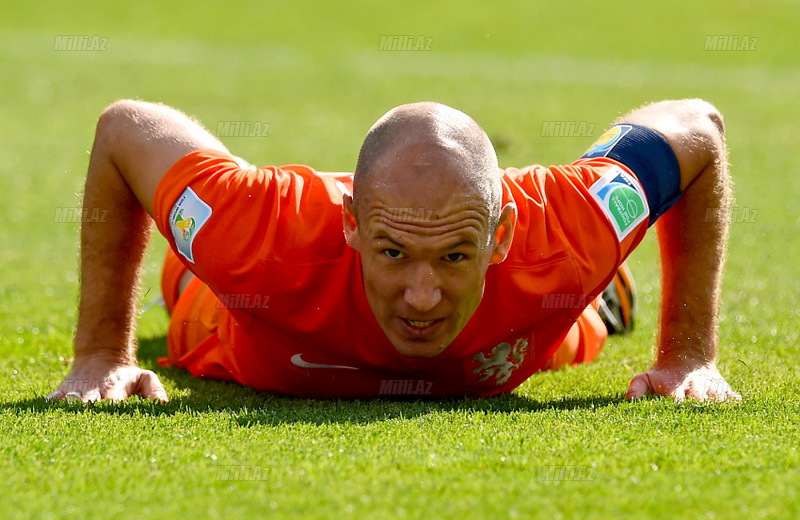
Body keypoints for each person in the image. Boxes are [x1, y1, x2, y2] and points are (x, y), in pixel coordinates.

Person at [47, 98, 741, 403]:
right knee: (191, 284)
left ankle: (601, 304)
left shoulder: (560, 234)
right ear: (351, 225)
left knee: (569, 317)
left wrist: (687, 356)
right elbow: (126, 130)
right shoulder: (257, 232)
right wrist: (104, 353)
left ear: (500, 236)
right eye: (392, 252)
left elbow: (697, 131)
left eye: (454, 257)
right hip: (227, 313)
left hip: (530, 321)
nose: (421, 297)